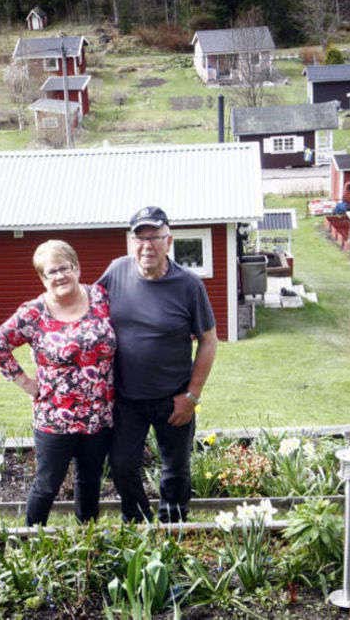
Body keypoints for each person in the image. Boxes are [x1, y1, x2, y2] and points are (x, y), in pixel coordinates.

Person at [97, 206, 217, 522]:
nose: (147, 245)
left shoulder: (189, 285)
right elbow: (86, 311)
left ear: (169, 241)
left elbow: (208, 341)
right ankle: (138, 522)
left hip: (173, 398)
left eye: (155, 237)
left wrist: (191, 396)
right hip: (125, 399)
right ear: (130, 241)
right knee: (122, 465)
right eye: (140, 238)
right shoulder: (115, 272)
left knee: (176, 468)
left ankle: (173, 526)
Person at [0, 240, 116, 526]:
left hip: (99, 414)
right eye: (50, 272)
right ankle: (30, 543)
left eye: (64, 268)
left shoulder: (100, 298)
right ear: (42, 278)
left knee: (90, 482)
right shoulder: (34, 313)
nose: (59, 276)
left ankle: (88, 543)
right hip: (54, 418)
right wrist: (25, 383)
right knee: (47, 485)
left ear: (77, 267)